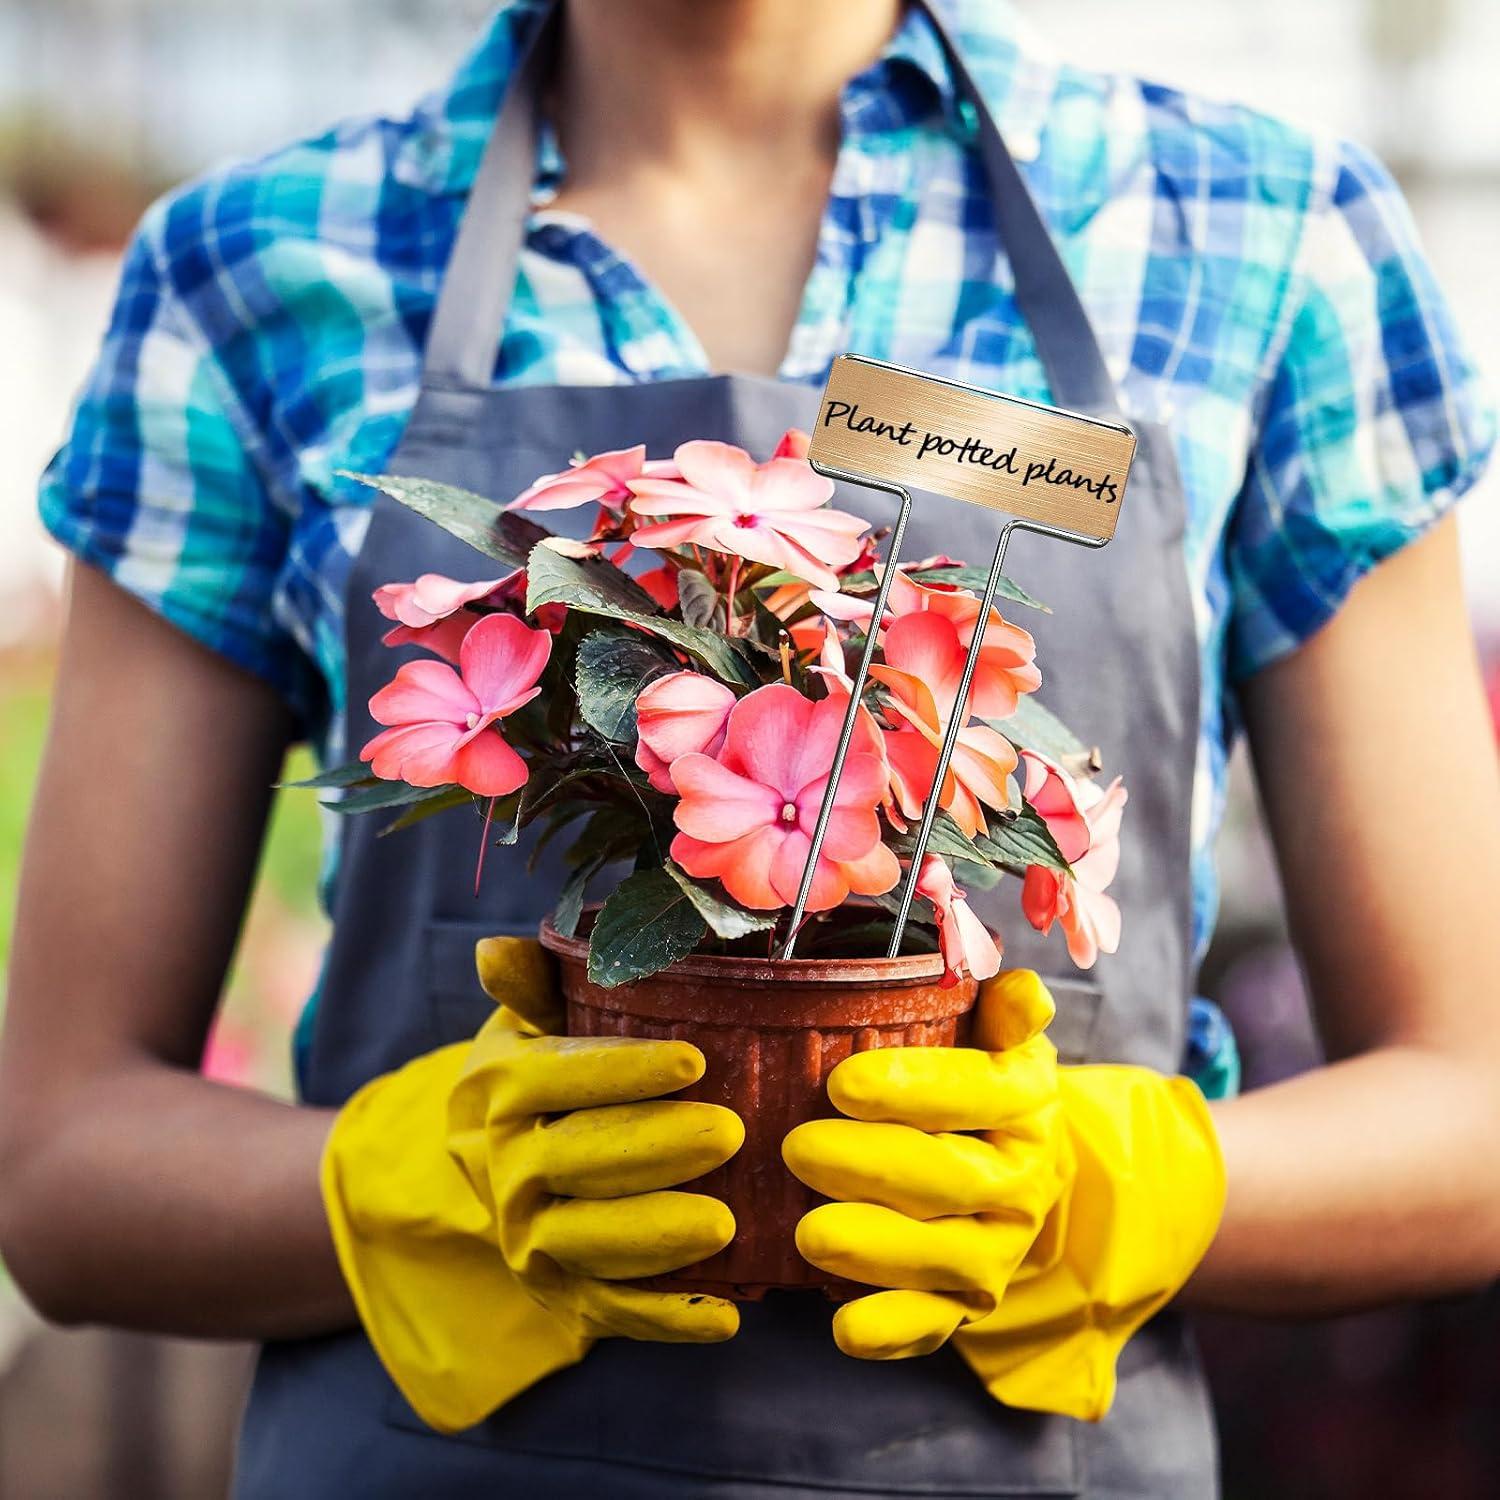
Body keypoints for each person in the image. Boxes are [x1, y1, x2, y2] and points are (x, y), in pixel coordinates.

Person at [3, 1, 1498, 1495]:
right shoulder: (254, 268)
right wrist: (420, 1188)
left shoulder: (1260, 236)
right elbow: (57, 1168)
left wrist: (1118, 1191)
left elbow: (1469, 1111)